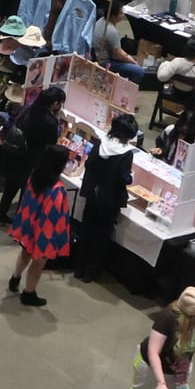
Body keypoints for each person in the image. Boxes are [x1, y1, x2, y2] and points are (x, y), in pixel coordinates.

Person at [6, 143, 72, 308]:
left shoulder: (34, 177)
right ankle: (29, 293)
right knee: (38, 263)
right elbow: (55, 216)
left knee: (25, 252)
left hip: (29, 225)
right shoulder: (57, 190)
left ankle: (15, 277)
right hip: (44, 232)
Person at [76, 113, 138, 282]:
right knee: (101, 236)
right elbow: (124, 178)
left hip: (92, 193)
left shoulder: (101, 142)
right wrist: (131, 177)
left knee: (87, 228)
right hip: (109, 199)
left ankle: (79, 268)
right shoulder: (126, 153)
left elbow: (89, 164)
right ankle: (91, 272)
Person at [0, 85, 64, 226]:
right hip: (32, 159)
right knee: (26, 193)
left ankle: (0, 216)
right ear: (55, 103)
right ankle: (20, 224)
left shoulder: (29, 108)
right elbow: (50, 144)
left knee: (10, 187)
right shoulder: (50, 121)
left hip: (15, 154)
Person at [91, 2, 143, 82]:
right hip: (104, 62)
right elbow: (117, 55)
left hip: (98, 55)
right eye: (120, 13)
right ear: (113, 16)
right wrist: (133, 61)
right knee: (139, 71)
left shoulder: (101, 20)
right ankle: (128, 91)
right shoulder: (111, 31)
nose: (122, 15)